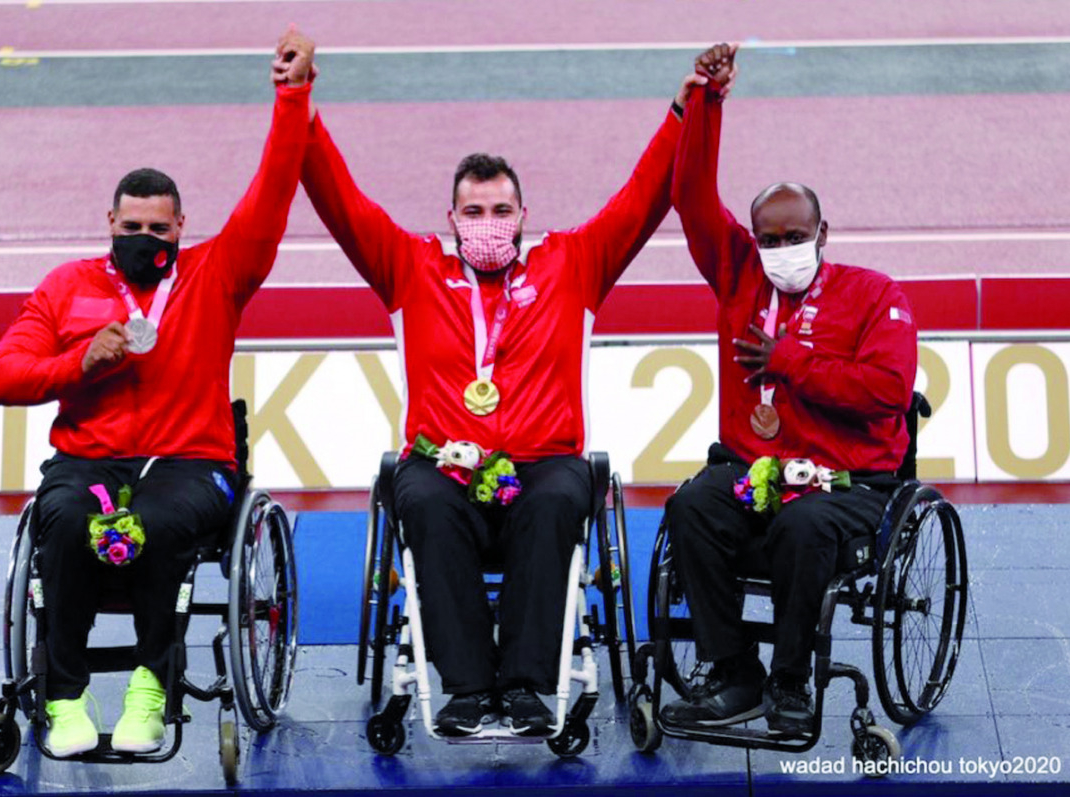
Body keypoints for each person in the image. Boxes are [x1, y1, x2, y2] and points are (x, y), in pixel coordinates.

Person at [300, 59, 706, 736]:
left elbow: (645, 197)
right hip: (442, 460)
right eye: (473, 211)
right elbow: (338, 199)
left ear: (524, 213)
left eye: (501, 210)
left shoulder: (575, 262)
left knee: (553, 502)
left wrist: (683, 111)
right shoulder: (408, 264)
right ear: (451, 216)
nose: (488, 222)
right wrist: (300, 107)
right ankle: (465, 691)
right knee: (424, 499)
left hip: (544, 459)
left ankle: (523, 687)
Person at [0, 28, 315, 757]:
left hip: (190, 462)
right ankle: (65, 698)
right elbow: (2, 378)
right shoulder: (65, 287)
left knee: (164, 525)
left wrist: (293, 95)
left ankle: (150, 688)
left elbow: (272, 192)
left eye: (158, 229)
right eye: (131, 227)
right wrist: (78, 362)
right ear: (109, 224)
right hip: (89, 466)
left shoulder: (216, 274)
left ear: (180, 228)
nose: (144, 239)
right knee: (63, 522)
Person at [662, 43, 917, 737]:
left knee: (804, 528)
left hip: (847, 485)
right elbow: (687, 196)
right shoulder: (738, 272)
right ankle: (734, 669)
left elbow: (889, 390)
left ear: (822, 233)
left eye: (795, 236)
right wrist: (707, 102)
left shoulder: (874, 295)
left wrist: (790, 361)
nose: (781, 248)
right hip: (754, 473)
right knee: (690, 506)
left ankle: (790, 680)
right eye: (769, 237)